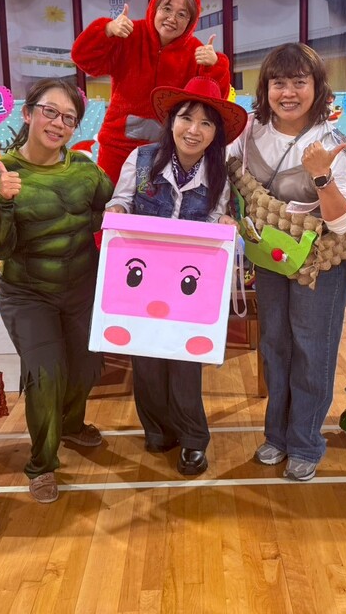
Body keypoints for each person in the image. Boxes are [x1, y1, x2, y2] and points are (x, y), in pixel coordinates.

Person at [0, 79, 113, 504]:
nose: (58, 123)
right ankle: (42, 463)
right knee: (46, 374)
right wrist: (4, 202)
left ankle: (70, 425)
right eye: (50, 111)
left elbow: (115, 210)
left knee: (87, 368)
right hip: (27, 293)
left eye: (69, 117)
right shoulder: (0, 174)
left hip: (82, 288)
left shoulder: (86, 170)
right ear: (28, 113)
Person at [227, 43, 346, 482]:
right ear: (265, 89)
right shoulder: (250, 133)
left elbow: (342, 223)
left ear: (317, 88)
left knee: (311, 347)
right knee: (275, 344)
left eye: (299, 82)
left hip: (318, 263)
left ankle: (305, 441)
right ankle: (277, 436)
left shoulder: (329, 141)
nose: (288, 92)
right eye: (278, 82)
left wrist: (321, 175)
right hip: (270, 256)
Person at [105, 76, 246, 477]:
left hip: (189, 285)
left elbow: (217, 215)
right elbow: (121, 200)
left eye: (206, 123)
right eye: (186, 118)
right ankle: (158, 431)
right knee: (146, 359)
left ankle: (193, 439)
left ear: (215, 134)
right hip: (142, 279)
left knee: (185, 362)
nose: (193, 130)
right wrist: (117, 211)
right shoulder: (142, 160)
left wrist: (224, 223)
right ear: (171, 122)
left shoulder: (219, 173)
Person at [71, 0, 231, 184]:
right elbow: (84, 59)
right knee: (111, 199)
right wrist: (106, 30)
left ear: (191, 21)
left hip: (168, 150)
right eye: (167, 8)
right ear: (155, 7)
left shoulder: (196, 52)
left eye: (182, 14)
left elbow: (215, 102)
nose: (172, 18)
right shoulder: (129, 34)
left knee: (157, 203)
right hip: (117, 145)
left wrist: (215, 66)